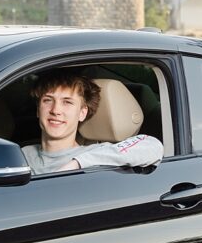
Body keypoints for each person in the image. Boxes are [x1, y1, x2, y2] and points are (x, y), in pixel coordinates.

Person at [22, 70, 163, 175]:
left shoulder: (97, 154)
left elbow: (153, 146)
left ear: (82, 113)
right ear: (38, 109)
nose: (56, 110)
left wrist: (77, 163)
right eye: (48, 100)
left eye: (67, 102)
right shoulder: (22, 154)